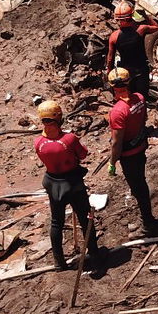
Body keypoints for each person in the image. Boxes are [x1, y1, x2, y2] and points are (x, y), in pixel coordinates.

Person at [32, 100, 106, 275]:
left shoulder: (38, 143)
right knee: (85, 218)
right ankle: (94, 254)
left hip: (52, 182)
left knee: (56, 222)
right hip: (72, 183)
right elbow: (82, 154)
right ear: (59, 118)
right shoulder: (69, 139)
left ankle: (59, 262)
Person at [106, 67, 158, 237]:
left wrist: (112, 162)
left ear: (112, 87)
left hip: (129, 155)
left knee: (139, 187)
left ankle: (147, 224)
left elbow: (116, 142)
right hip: (141, 146)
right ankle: (146, 218)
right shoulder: (140, 98)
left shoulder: (117, 111)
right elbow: (143, 120)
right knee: (140, 184)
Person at [107, 3, 158, 101]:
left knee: (129, 97)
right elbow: (156, 27)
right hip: (141, 69)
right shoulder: (141, 29)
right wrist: (145, 15)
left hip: (126, 73)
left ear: (117, 20)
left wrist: (109, 73)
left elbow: (110, 58)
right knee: (142, 97)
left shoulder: (114, 36)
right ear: (131, 16)